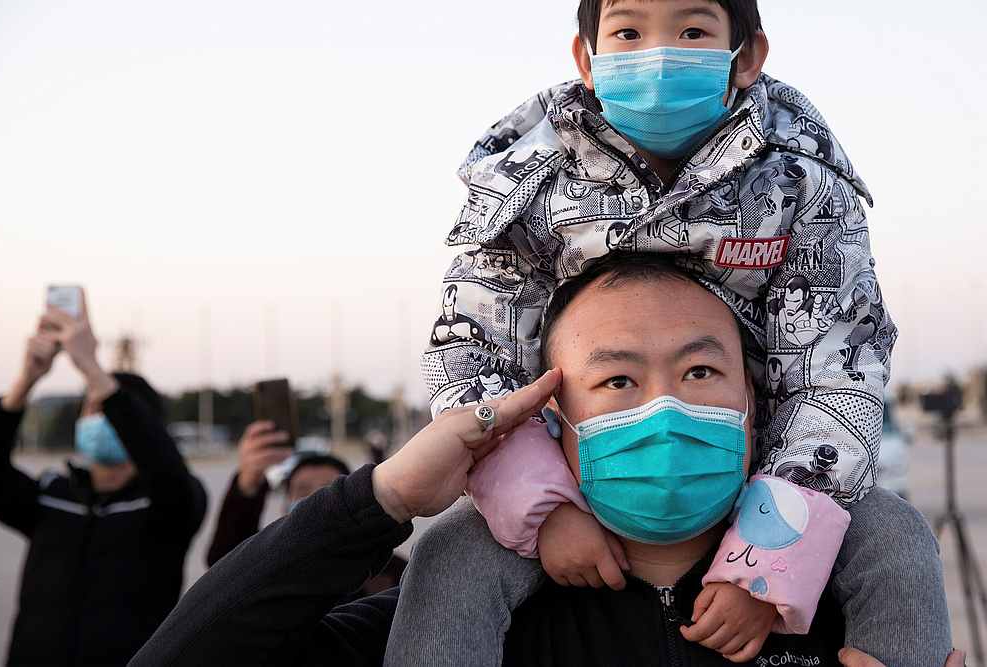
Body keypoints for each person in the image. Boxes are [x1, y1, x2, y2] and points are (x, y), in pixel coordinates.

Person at [130, 256, 958, 666]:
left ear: (759, 404)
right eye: (618, 378)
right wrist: (380, 497)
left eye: (701, 371)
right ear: (552, 416)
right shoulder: (464, 619)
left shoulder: (839, 616)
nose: (663, 406)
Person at [413, 0, 904, 661]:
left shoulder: (800, 178)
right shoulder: (528, 180)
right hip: (581, 467)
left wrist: (767, 559)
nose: (661, 51)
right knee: (453, 551)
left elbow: (837, 366)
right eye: (628, 32)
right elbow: (472, 353)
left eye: (693, 30)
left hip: (755, 465)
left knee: (893, 533)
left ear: (748, 55)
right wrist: (542, 504)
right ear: (586, 59)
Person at [0, 298, 207, 666]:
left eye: (109, 408)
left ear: (142, 424)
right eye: (92, 408)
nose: (100, 415)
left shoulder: (171, 503)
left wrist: (91, 367)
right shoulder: (52, 496)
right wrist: (25, 381)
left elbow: (167, 472)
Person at [204, 425, 406, 595]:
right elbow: (223, 567)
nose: (315, 500)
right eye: (302, 490)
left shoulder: (394, 574)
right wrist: (247, 486)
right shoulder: (269, 572)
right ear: (285, 508)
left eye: (329, 489)